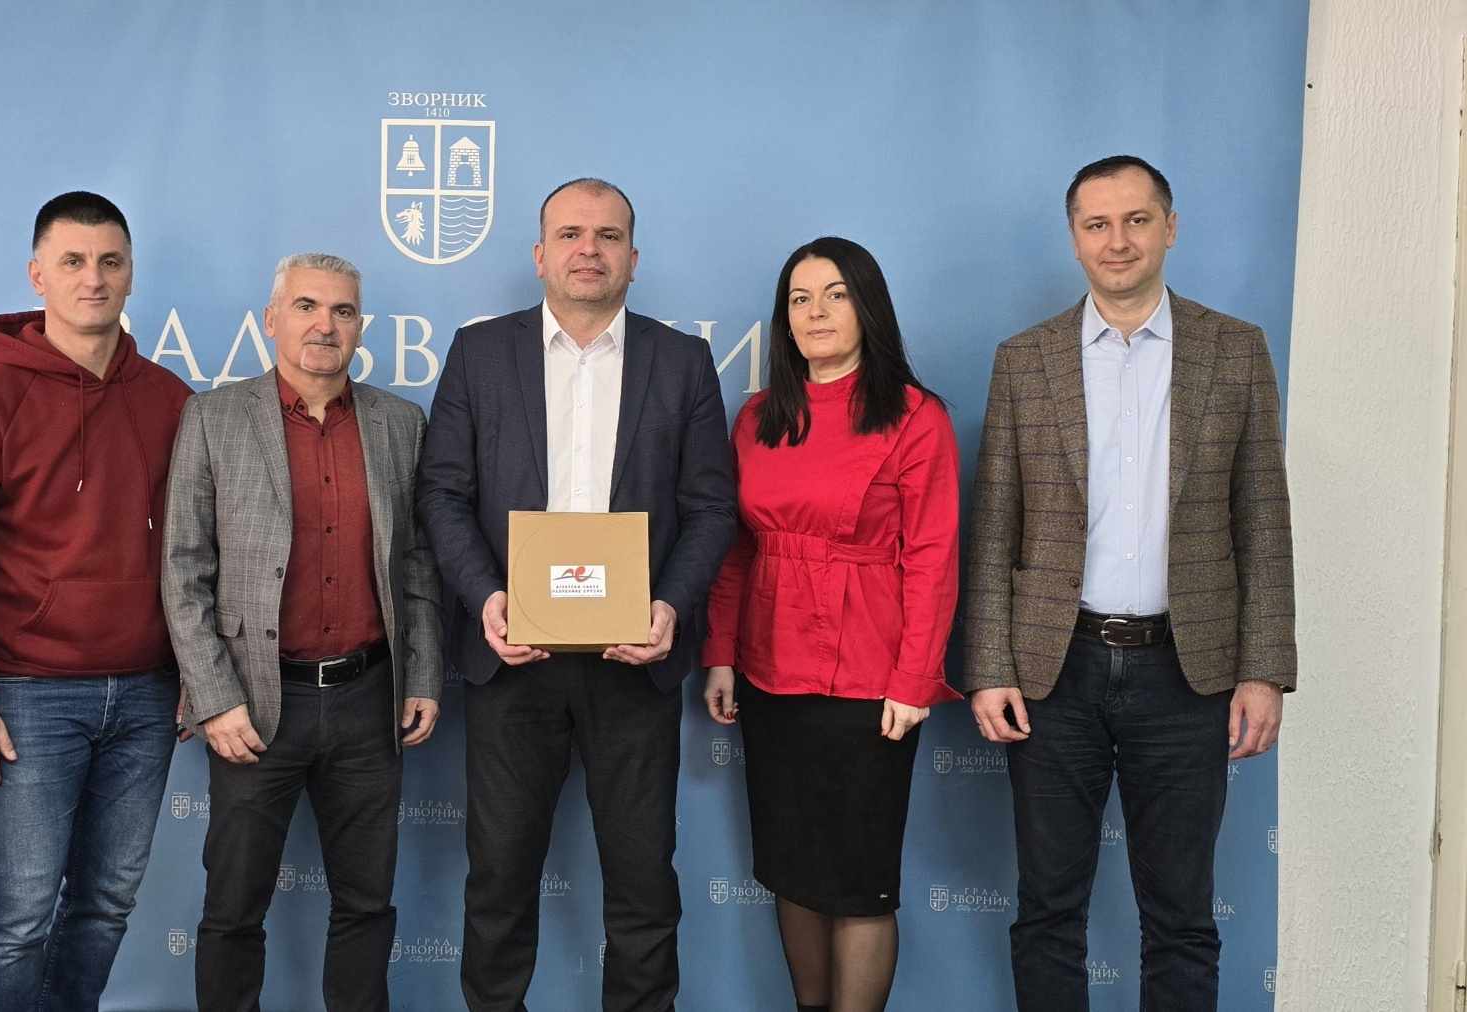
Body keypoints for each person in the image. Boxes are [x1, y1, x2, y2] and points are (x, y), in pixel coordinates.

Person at [963, 155, 1297, 1011]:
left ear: (1170, 228)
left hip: (1187, 671)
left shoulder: (1235, 350)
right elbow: (995, 523)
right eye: (1098, 224)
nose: (1118, 240)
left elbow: (1263, 519)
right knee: (1048, 910)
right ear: (1074, 238)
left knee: (1181, 917)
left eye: (1137, 220)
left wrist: (1264, 669)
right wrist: (990, 666)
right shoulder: (1024, 359)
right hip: (1054, 670)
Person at [416, 177, 736, 1012]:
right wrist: (485, 596)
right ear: (539, 255)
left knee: (643, 885)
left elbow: (711, 508)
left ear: (634, 257)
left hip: (636, 663)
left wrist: (670, 605)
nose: (588, 249)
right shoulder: (481, 353)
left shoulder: (682, 361)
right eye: (569, 234)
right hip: (512, 660)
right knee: (498, 881)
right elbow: (442, 493)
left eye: (607, 235)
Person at [0, 191, 193, 1011]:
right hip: (29, 696)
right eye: (72, 261)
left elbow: (194, 553)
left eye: (109, 262)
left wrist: (193, 673)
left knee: (106, 906)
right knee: (19, 917)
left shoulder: (169, 400)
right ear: (38, 275)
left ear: (131, 274)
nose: (92, 278)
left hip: (147, 696)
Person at [161, 253, 443, 1012]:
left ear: (360, 326)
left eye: (343, 311)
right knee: (233, 908)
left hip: (369, 701)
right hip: (253, 705)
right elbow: (183, 569)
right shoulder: (213, 417)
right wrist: (215, 698)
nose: (326, 325)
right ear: (271, 319)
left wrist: (422, 675)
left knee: (367, 905)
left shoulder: (401, 424)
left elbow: (417, 564)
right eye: (307, 307)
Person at [701, 236, 960, 1012]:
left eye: (836, 294)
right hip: (769, 673)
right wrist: (721, 654)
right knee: (794, 872)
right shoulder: (757, 417)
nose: (816, 312)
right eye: (800, 299)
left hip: (870, 684)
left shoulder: (915, 417)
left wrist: (914, 680)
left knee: (858, 883)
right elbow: (736, 550)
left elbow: (934, 558)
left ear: (868, 306)